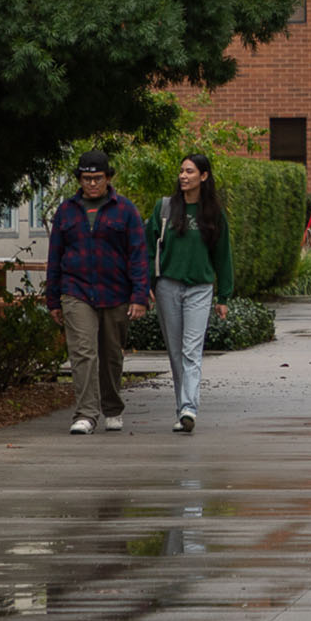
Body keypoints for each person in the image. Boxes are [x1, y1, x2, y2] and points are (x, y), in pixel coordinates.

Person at [45, 150, 150, 435]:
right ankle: (86, 414)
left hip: (116, 291)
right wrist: (53, 298)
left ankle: (112, 407)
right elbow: (54, 257)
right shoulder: (66, 211)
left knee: (111, 355)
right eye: (86, 178)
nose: (92, 184)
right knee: (83, 353)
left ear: (108, 178)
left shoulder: (126, 210)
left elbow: (139, 256)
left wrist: (140, 296)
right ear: (79, 179)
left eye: (97, 178)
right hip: (76, 290)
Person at [149, 153, 233, 434]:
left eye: (190, 171)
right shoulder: (165, 209)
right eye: (181, 171)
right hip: (167, 286)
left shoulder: (214, 213)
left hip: (200, 288)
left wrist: (224, 297)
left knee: (191, 350)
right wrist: (146, 286)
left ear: (204, 176)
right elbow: (149, 248)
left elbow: (223, 256)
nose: (183, 176)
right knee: (175, 352)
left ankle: (189, 408)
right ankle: (181, 409)